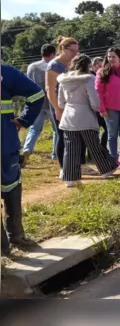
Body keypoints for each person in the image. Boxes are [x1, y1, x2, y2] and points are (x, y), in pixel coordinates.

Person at [57, 54, 119, 188]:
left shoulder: (63, 80)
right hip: (85, 116)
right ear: (87, 66)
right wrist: (95, 109)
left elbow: (60, 103)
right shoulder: (88, 79)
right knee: (93, 145)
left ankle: (70, 178)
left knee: (70, 148)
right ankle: (107, 168)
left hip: (68, 117)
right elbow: (94, 100)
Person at [2, 64, 45, 255]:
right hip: (5, 141)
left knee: (11, 186)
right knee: (11, 186)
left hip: (6, 142)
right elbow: (36, 95)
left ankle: (4, 247)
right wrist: (23, 120)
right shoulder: (4, 73)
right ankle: (16, 236)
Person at [46, 37, 94, 177]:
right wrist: (57, 109)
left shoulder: (75, 63)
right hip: (61, 105)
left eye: (77, 51)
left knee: (81, 134)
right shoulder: (54, 65)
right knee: (63, 135)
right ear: (63, 49)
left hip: (77, 104)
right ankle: (63, 168)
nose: (75, 54)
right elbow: (50, 88)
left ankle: (81, 164)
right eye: (72, 51)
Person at [21, 44, 59, 166]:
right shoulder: (53, 66)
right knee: (56, 130)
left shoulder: (32, 66)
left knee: (34, 128)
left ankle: (27, 148)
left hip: (36, 103)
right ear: (52, 54)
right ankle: (55, 154)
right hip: (50, 102)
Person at [95, 48, 120, 167]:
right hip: (110, 108)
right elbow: (98, 91)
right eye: (109, 57)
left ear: (119, 57)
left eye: (113, 56)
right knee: (112, 134)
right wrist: (101, 109)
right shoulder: (102, 72)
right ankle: (113, 158)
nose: (111, 59)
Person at [90, 57, 108, 151]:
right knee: (94, 131)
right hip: (94, 108)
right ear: (93, 66)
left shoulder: (104, 75)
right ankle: (93, 151)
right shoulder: (90, 76)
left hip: (102, 106)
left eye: (103, 66)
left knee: (107, 129)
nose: (102, 68)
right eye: (100, 66)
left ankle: (102, 148)